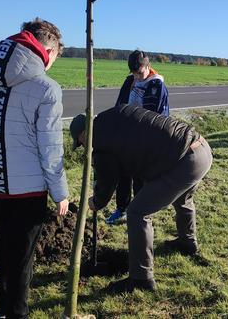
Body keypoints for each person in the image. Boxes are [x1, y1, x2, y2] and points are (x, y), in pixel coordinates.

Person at [0, 18, 69, 319]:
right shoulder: (46, 88)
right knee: (22, 261)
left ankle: (2, 310)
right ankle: (16, 314)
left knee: (5, 253)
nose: (51, 66)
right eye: (54, 58)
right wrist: (60, 193)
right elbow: (50, 149)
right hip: (29, 190)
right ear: (46, 50)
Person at [70, 104, 212, 292]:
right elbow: (131, 154)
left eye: (80, 143)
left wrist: (96, 202)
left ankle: (141, 279)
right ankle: (188, 242)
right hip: (200, 148)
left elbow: (107, 181)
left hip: (184, 162)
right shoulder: (115, 115)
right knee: (183, 198)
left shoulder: (100, 141)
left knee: (137, 213)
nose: (83, 147)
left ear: (84, 134)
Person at [107, 50, 170, 226]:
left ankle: (139, 212)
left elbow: (160, 117)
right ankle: (122, 209)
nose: (136, 76)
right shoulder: (129, 81)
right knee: (123, 175)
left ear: (147, 66)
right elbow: (120, 104)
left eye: (139, 72)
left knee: (140, 178)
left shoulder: (157, 86)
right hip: (126, 136)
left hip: (145, 139)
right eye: (133, 73)